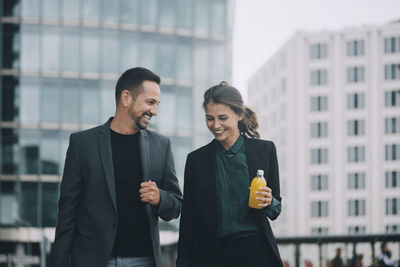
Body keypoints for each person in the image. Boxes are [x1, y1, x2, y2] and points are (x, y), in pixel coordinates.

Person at [48, 67, 183, 267]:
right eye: (150, 102)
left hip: (143, 260)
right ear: (126, 98)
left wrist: (160, 198)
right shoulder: (82, 145)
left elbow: (176, 206)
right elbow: (67, 215)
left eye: (157, 104)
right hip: (93, 261)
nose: (154, 111)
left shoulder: (161, 146)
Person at [176, 81, 283, 267]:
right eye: (210, 118)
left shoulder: (265, 150)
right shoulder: (196, 160)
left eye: (222, 118)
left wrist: (269, 201)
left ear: (239, 115)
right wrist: (183, 261)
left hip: (257, 254)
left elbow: (276, 209)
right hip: (211, 255)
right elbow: (188, 218)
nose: (215, 125)